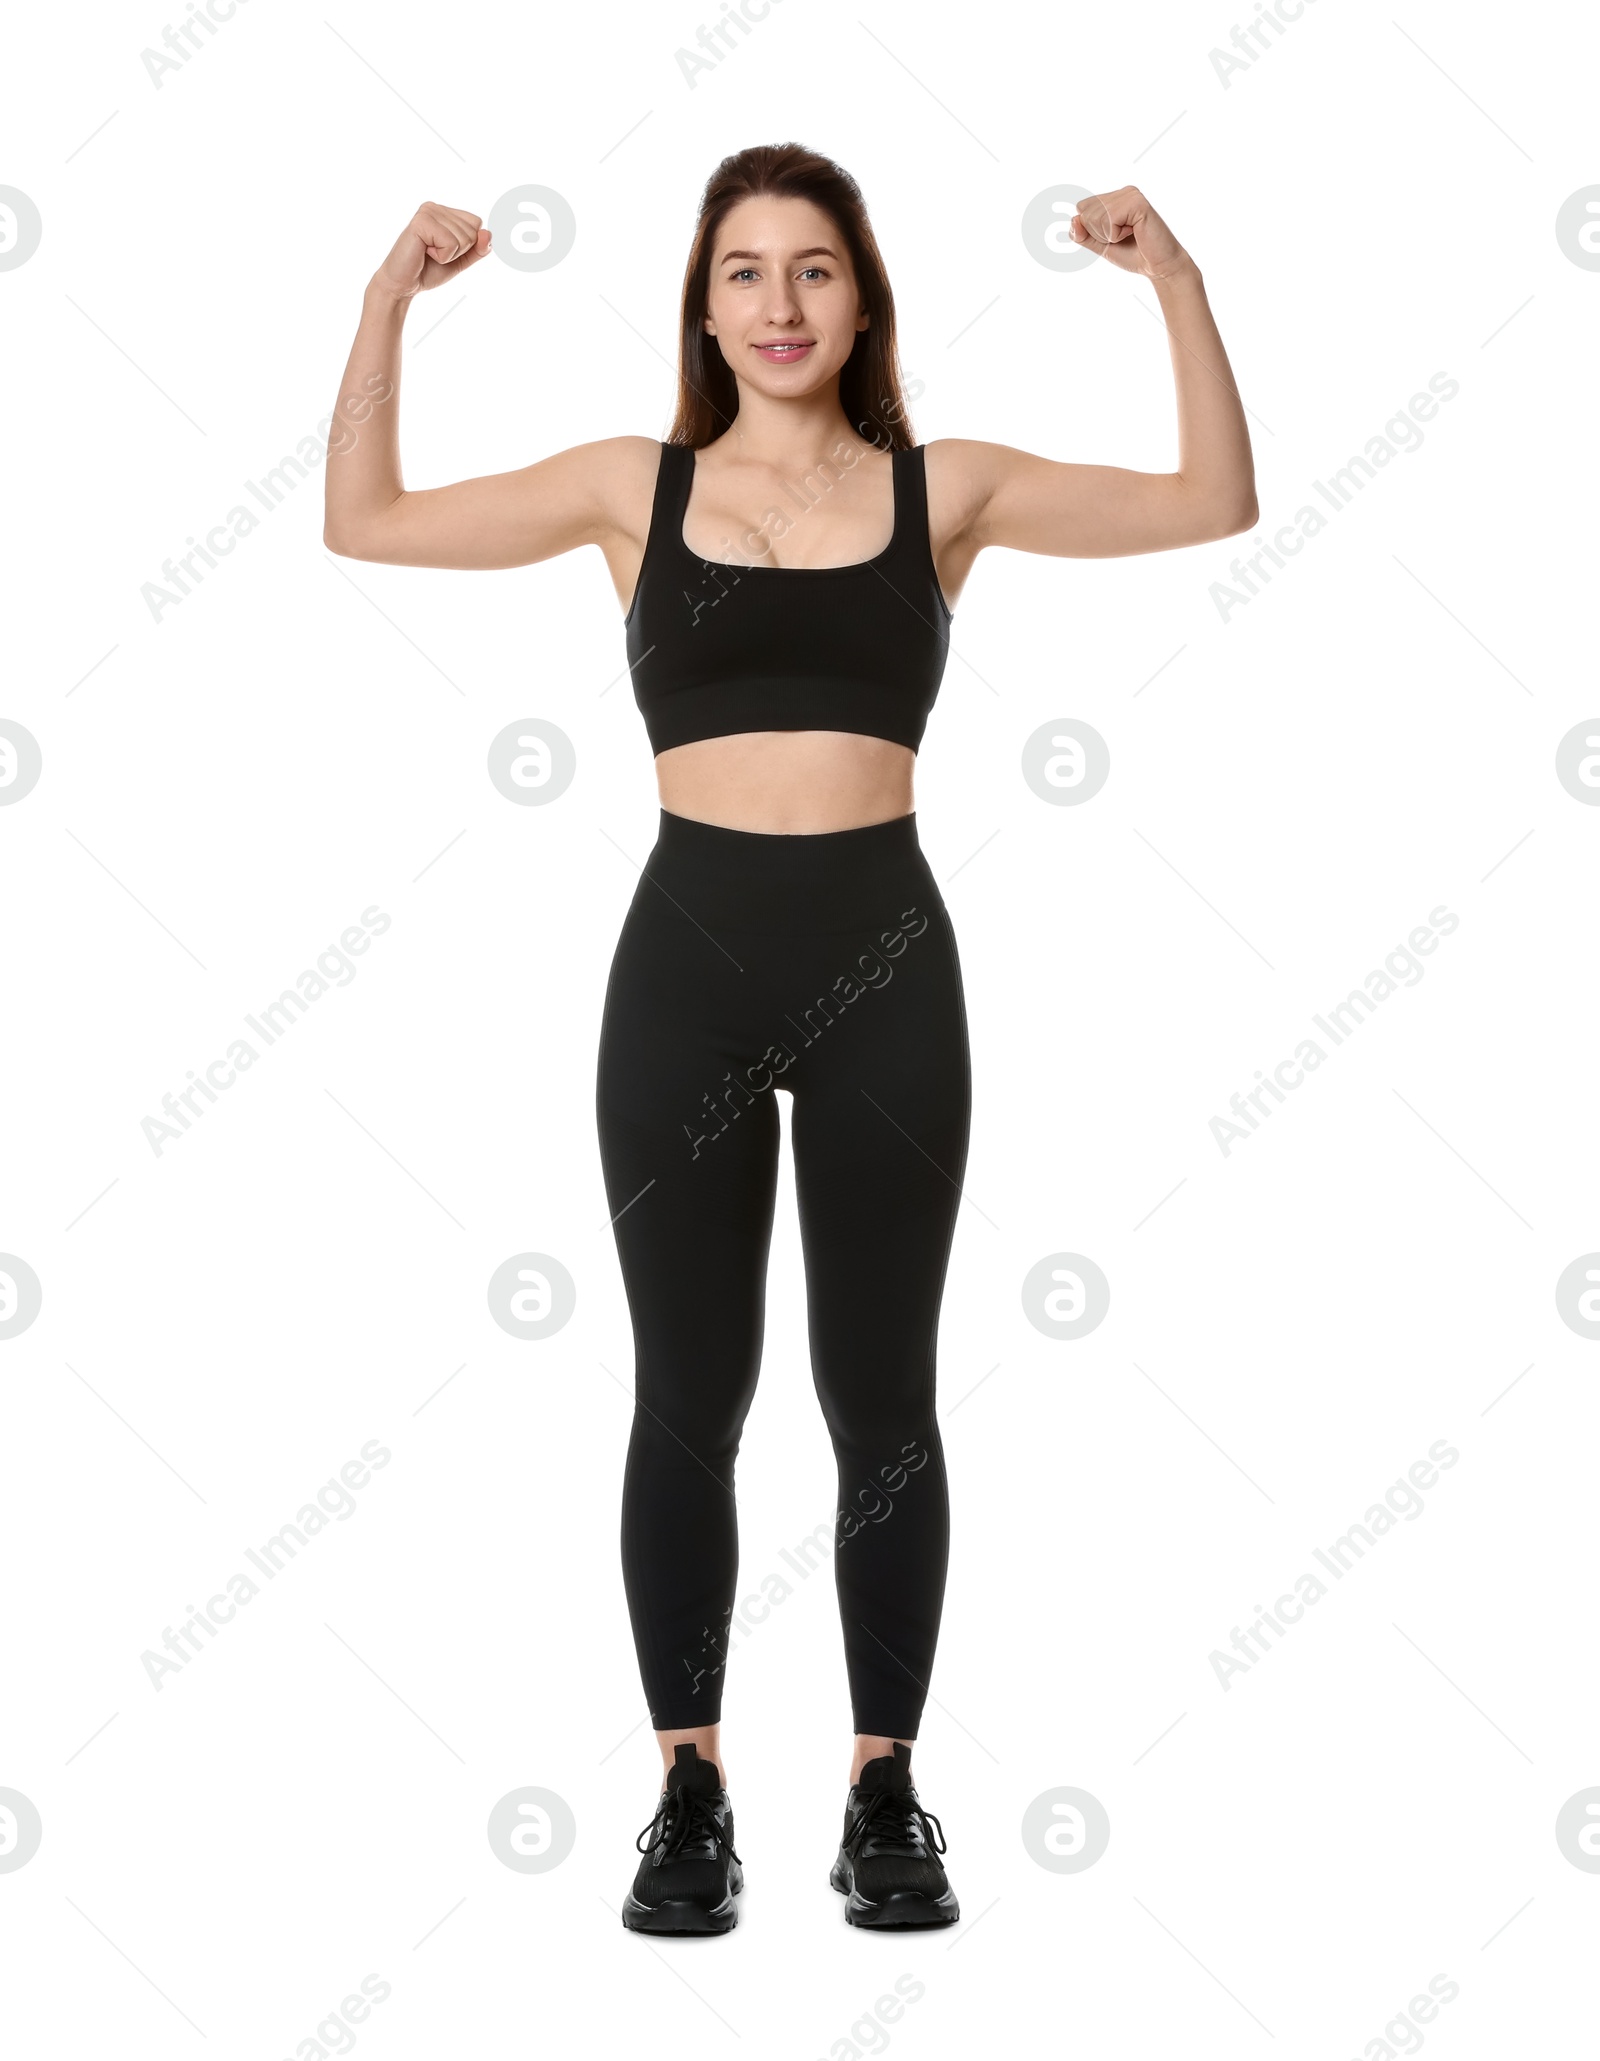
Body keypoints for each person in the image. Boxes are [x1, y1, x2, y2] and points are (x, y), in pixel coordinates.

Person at [323, 142, 1257, 1935]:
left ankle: (886, 1787)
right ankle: (688, 1791)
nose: (778, 305)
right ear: (702, 304)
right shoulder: (629, 488)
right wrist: (385, 309)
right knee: (691, 1401)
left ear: (862, 298)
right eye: (743, 273)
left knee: (881, 1399)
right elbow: (365, 516)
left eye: (814, 270)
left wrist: (1175, 284)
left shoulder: (945, 488)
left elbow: (1215, 497)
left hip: (886, 963)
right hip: (683, 969)